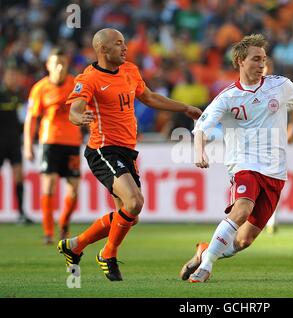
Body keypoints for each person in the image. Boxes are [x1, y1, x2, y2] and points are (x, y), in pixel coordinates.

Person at [180, 34, 293, 283]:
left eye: (263, 59)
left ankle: (205, 251)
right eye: (256, 59)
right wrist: (199, 151)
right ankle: (206, 266)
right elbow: (201, 127)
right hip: (244, 164)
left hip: (275, 170)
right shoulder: (227, 97)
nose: (261, 64)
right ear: (241, 61)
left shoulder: (280, 86)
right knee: (242, 209)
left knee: (244, 240)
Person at [58, 28, 202, 281]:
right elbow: (74, 110)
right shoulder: (89, 78)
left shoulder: (130, 70)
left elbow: (149, 97)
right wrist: (81, 117)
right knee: (135, 203)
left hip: (127, 150)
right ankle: (107, 254)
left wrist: (185, 107)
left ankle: (76, 245)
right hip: (103, 149)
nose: (125, 48)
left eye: (124, 43)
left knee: (128, 217)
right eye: (118, 44)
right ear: (103, 50)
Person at [24, 48, 82, 244]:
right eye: (56, 63)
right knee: (48, 187)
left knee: (73, 189)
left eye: (63, 63)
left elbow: (88, 109)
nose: (59, 67)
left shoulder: (76, 85)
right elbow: (31, 119)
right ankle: (48, 232)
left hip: (72, 142)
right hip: (49, 141)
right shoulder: (39, 88)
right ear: (47, 65)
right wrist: (27, 144)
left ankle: (64, 223)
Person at [0, 65, 33, 225]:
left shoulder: (18, 96)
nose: (14, 79)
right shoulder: (1, 94)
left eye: (16, 76)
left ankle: (21, 213)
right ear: (5, 77)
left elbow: (23, 120)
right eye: (11, 76)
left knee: (19, 176)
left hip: (14, 143)